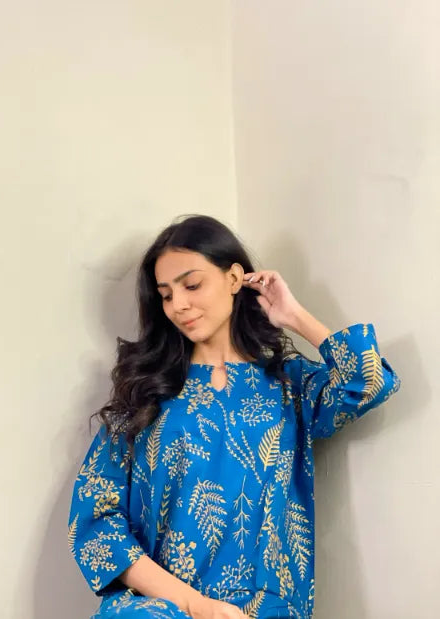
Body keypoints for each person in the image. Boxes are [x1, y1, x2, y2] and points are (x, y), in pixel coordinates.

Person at [68, 214, 401, 619]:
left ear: (233, 278)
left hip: (268, 608)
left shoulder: (288, 384)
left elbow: (369, 381)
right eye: (166, 295)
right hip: (164, 609)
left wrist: (293, 316)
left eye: (192, 285)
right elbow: (96, 525)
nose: (178, 305)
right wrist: (197, 606)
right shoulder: (145, 392)